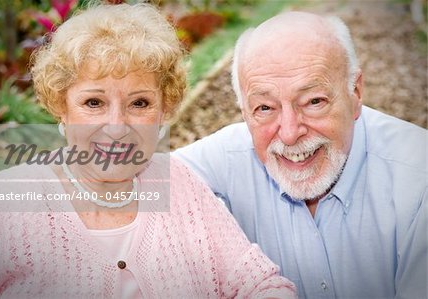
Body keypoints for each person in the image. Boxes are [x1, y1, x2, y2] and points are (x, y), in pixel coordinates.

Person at [0, 3, 297, 298]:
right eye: (94, 103)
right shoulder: (2, 206)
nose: (117, 127)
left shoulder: (179, 183)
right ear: (62, 106)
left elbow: (260, 284)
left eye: (139, 103)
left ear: (163, 108)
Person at [174, 11, 427, 299]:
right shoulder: (227, 159)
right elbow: (127, 191)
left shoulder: (418, 177)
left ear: (355, 93)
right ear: (244, 111)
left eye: (313, 101)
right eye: (265, 108)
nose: (290, 133)